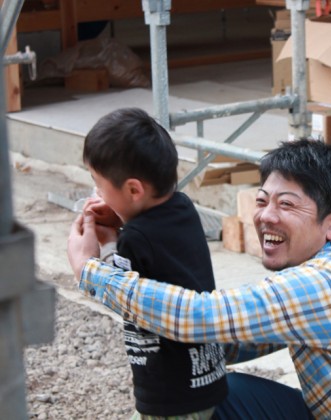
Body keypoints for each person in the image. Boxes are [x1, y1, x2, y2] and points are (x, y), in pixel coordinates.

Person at [68, 138, 331, 419]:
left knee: (218, 398)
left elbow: (202, 317)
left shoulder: (327, 283)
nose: (265, 216)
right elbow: (232, 341)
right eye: (262, 200)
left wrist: (93, 272)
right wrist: (126, 231)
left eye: (286, 204)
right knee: (215, 387)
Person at [80, 107, 228, 419]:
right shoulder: (184, 208)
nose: (96, 192)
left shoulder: (135, 238)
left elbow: (120, 293)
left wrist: (99, 245)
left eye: (98, 183)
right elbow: (159, 254)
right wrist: (120, 221)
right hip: (205, 377)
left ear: (133, 189)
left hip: (170, 393)